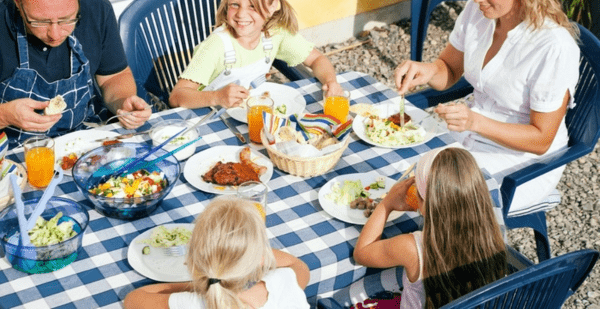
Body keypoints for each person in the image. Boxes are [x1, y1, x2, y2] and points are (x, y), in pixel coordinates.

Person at [395, 0, 580, 213]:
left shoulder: (553, 46)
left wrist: (474, 122)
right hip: (473, 134)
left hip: (522, 161)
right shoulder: (478, 10)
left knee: (431, 196)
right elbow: (449, 69)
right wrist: (427, 71)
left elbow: (541, 139)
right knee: (401, 173)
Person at [0, 0, 151, 146]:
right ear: (18, 0)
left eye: (66, 20)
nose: (54, 34)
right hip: (11, 152)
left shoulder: (97, 9)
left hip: (84, 139)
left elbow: (113, 77)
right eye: (39, 22)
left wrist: (123, 103)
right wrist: (5, 115)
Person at [168, 0, 343, 109]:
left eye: (252, 6)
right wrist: (216, 97)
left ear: (272, 6)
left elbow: (317, 59)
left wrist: (331, 81)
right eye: (235, 5)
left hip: (249, 114)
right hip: (208, 117)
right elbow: (177, 97)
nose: (241, 14)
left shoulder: (276, 33)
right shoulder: (216, 46)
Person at [353, 147, 507, 308]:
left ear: (426, 206)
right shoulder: (492, 234)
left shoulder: (412, 247)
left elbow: (362, 253)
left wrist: (386, 204)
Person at [124, 196, 310, 309]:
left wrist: (203, 284)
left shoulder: (192, 303)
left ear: (192, 261)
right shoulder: (283, 283)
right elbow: (299, 267)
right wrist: (246, 248)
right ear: (260, 258)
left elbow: (133, 299)